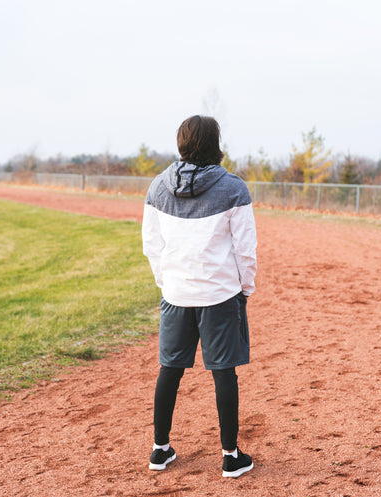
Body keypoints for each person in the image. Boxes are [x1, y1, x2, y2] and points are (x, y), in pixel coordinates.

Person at [141, 115, 258, 478]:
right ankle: (230, 456)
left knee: (170, 370)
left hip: (176, 293)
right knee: (224, 372)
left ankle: (160, 450)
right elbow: (246, 250)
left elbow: (152, 245)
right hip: (219, 294)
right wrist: (245, 288)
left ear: (182, 142)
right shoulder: (233, 188)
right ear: (215, 143)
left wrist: (167, 282)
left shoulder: (158, 186)